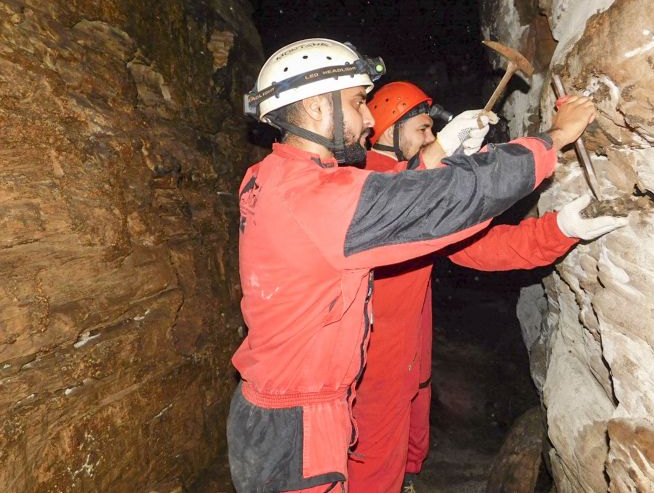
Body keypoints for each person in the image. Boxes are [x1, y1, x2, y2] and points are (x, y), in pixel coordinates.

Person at [228, 38, 600, 493]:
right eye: (357, 102)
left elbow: (383, 199)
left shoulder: (271, 177)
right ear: (314, 110)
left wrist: (435, 156)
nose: (368, 120)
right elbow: (445, 200)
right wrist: (554, 139)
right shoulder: (319, 198)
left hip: (278, 406)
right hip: (299, 420)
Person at [347, 82, 627, 492]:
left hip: (407, 362)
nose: (431, 140)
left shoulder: (406, 185)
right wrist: (554, 138)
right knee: (371, 471)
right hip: (372, 372)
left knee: (403, 461)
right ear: (389, 128)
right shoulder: (367, 187)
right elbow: (464, 195)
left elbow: (479, 246)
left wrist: (560, 229)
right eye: (423, 129)